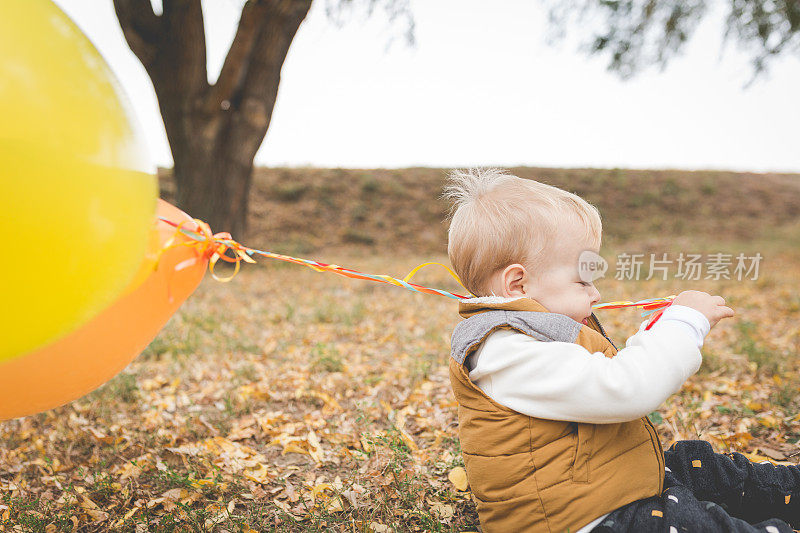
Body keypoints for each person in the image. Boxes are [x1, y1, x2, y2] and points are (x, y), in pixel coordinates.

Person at [444, 168, 799, 532]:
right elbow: (625, 388)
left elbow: (601, 375)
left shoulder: (534, 334)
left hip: (605, 488)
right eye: (582, 280)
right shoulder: (506, 352)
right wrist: (683, 325)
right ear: (518, 283)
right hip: (580, 520)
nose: (595, 294)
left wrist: (656, 330)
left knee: (698, 466)